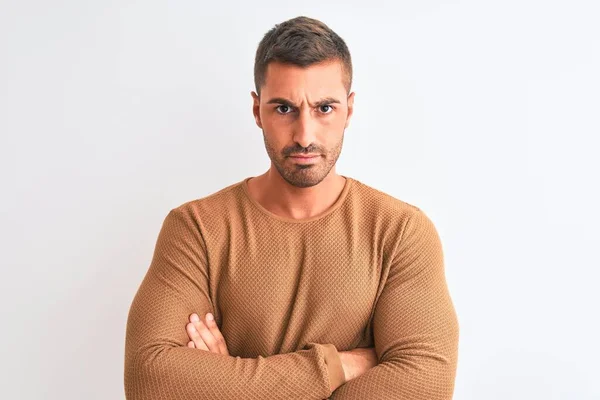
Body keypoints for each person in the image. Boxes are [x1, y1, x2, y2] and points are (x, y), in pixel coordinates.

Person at [124, 15, 459, 400]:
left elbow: (425, 386)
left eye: (324, 108)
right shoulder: (196, 228)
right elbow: (149, 380)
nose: (304, 135)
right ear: (257, 111)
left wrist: (227, 379)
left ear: (349, 110)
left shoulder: (399, 232)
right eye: (284, 109)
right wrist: (339, 367)